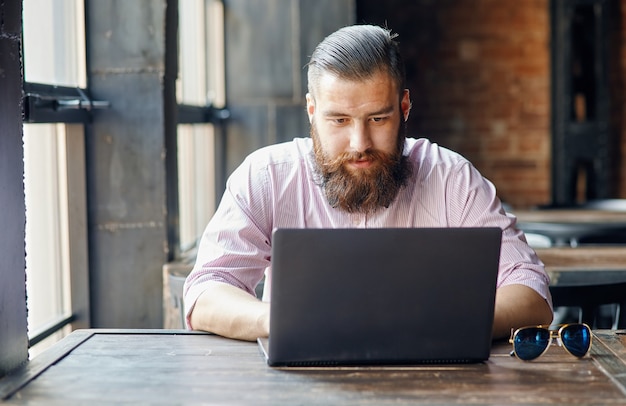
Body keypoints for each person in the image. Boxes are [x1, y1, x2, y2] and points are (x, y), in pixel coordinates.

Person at [183, 24, 553, 342]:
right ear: (312, 111)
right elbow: (205, 291)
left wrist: (440, 324)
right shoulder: (266, 176)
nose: (359, 144)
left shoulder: (451, 178)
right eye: (339, 121)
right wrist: (278, 321)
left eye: (377, 119)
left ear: (404, 108)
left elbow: (531, 292)